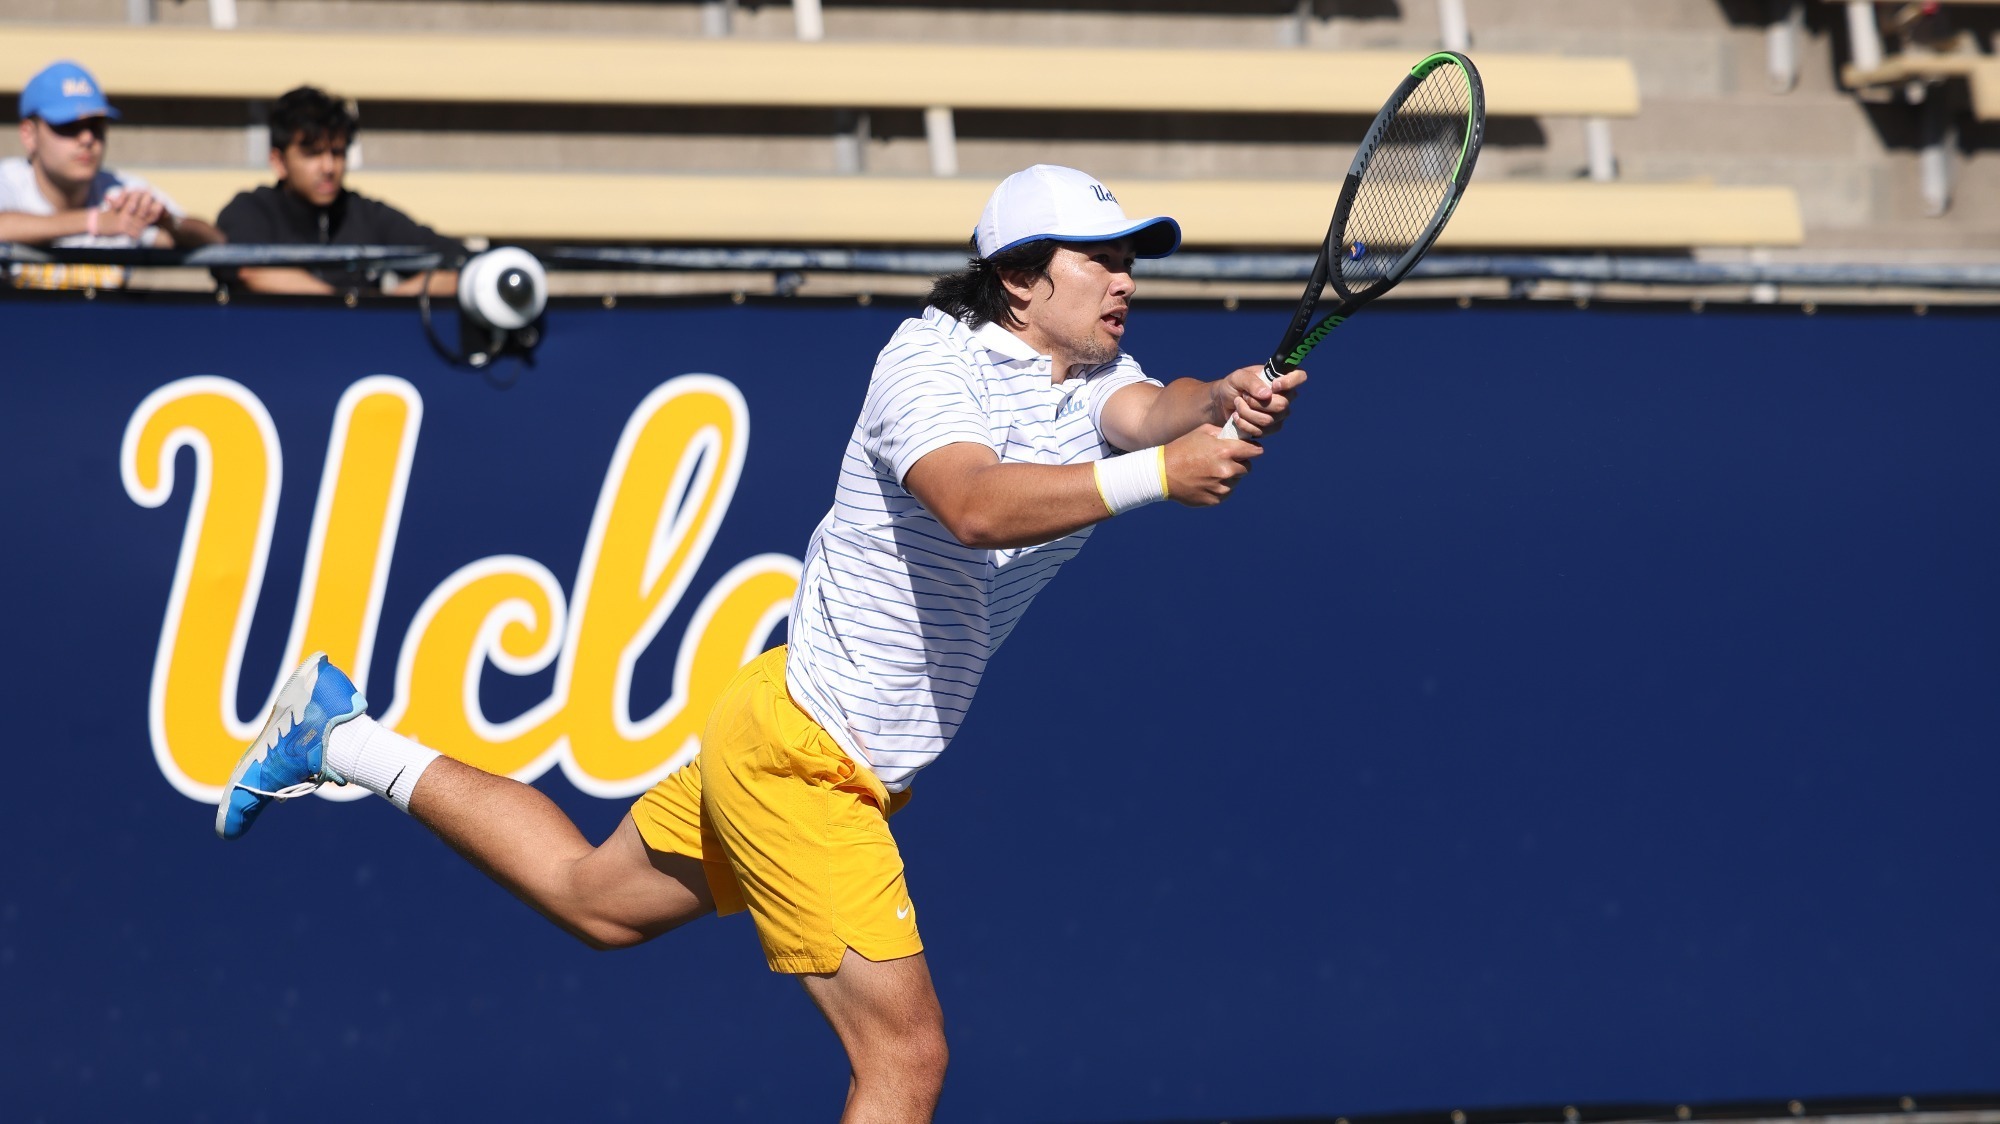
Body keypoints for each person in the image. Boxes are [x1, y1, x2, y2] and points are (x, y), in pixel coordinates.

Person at [215, 164, 1306, 1123]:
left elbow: (1147, 409)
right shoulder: (925, 367)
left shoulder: (1089, 373)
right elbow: (973, 503)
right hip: (804, 761)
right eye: (1102, 259)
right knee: (906, 1054)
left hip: (781, 720)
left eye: (1131, 260)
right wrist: (1163, 476)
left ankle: (337, 736)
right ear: (1020, 279)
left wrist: (1220, 397)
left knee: (594, 900)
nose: (1125, 279)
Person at [215, 85, 461, 297]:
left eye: (338, 153)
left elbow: (457, 265)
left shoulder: (366, 214)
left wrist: (387, 306)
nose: (329, 167)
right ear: (278, 162)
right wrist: (345, 309)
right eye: (312, 154)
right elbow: (249, 269)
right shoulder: (251, 209)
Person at [0, 60, 222, 290]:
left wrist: (167, 222)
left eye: (96, 125)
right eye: (68, 125)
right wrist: (94, 221)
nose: (87, 139)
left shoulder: (121, 192)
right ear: (29, 135)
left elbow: (216, 242)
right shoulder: (8, 181)